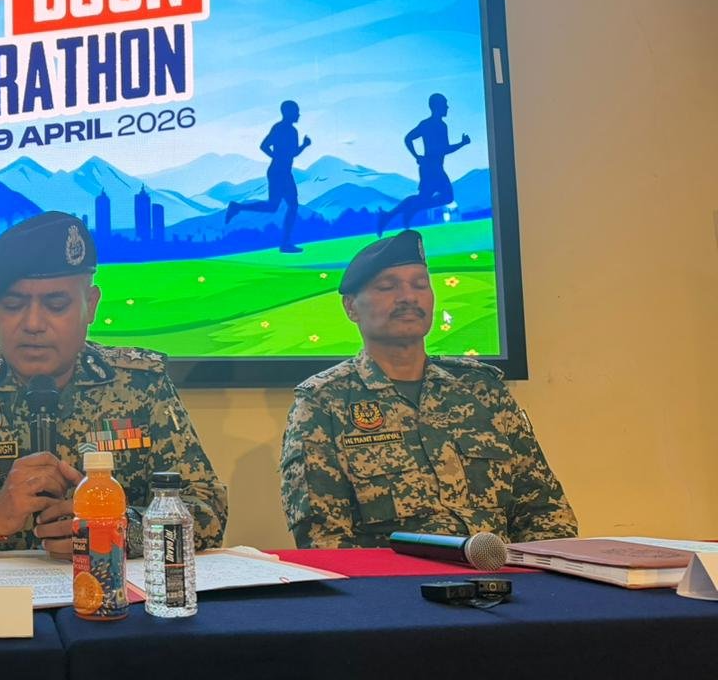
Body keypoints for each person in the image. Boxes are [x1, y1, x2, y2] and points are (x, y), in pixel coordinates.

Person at [0, 212, 228, 559]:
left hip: (109, 590)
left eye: (56, 304)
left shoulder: (141, 386)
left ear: (91, 305)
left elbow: (207, 510)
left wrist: (121, 530)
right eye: (13, 304)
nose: (33, 324)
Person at [280, 230, 577, 548]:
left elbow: (546, 512)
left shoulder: (482, 391)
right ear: (351, 307)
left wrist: (536, 573)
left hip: (499, 574)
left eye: (420, 284)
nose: (408, 297)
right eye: (388, 287)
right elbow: (324, 540)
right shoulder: (323, 403)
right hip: (393, 579)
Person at [225, 100, 310, 253]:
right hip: (280, 172)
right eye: (296, 111)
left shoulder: (283, 129)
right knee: (289, 205)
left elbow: (270, 147)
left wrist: (278, 156)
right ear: (288, 112)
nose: (299, 114)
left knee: (274, 206)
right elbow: (277, 149)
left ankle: (237, 207)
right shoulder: (287, 130)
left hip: (280, 171)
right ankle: (285, 244)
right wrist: (300, 147)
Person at [377, 93, 470, 234]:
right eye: (445, 104)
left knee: (424, 199)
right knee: (444, 197)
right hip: (432, 169)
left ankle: (395, 214)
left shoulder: (433, 125)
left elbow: (410, 139)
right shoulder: (436, 126)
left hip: (432, 167)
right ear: (437, 106)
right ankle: (401, 213)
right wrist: (462, 144)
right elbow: (442, 149)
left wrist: (418, 157)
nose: (447, 107)